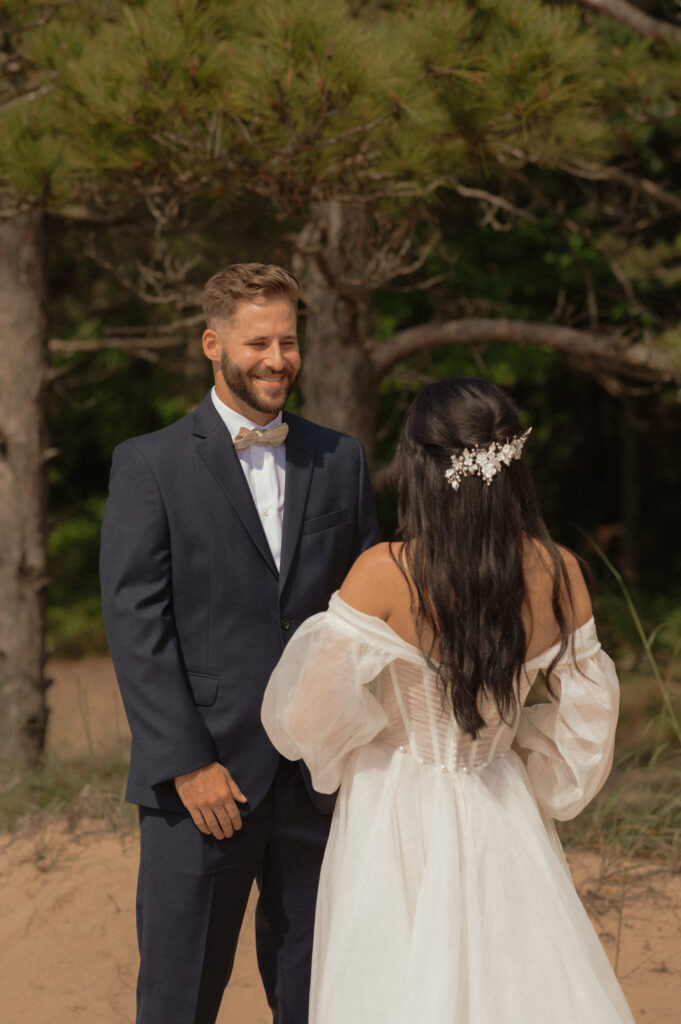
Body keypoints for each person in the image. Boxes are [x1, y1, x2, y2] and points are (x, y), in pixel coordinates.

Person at [261, 376, 635, 1024]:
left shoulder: (385, 571)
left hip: (392, 807)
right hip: (501, 801)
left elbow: (304, 717)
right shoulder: (559, 570)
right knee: (515, 983)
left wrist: (370, 733)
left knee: (393, 986)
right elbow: (587, 726)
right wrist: (517, 756)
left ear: (422, 468)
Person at [99, 262, 379, 1024]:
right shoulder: (148, 464)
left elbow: (368, 616)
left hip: (318, 783)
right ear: (212, 344)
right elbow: (135, 625)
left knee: (319, 995)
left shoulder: (341, 460)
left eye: (288, 341)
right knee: (179, 999)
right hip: (201, 789)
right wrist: (188, 764)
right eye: (259, 342)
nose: (278, 359)